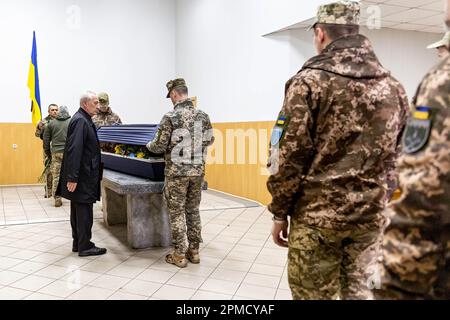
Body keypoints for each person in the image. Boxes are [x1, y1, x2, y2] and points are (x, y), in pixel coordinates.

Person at [266, 0, 409, 300]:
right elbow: (402, 156)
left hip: (317, 222)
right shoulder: (394, 87)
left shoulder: (308, 83)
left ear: (320, 34)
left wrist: (279, 211)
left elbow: (286, 154)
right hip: (370, 221)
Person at [376, 0, 450, 300]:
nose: (438, 55)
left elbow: (425, 199)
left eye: (441, 49)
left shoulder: (441, 82)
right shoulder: (395, 87)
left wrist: (395, 287)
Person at [147, 78, 214, 268]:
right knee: (193, 210)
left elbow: (159, 146)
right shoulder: (203, 115)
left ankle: (179, 254)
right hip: (197, 171)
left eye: (170, 96)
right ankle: (194, 251)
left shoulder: (170, 117)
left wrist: (148, 145)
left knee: (176, 212)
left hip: (176, 173)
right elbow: (210, 140)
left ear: (174, 94)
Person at [56, 91, 107, 257]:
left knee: (78, 209)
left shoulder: (82, 118)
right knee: (84, 210)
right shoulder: (81, 121)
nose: (98, 106)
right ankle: (85, 246)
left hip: (83, 173)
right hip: (83, 175)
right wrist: (73, 177)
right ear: (85, 104)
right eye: (95, 103)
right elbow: (74, 150)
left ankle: (78, 243)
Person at [43, 106, 71, 207]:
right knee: (71, 175)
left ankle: (57, 198)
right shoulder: (72, 122)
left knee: (56, 176)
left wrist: (48, 153)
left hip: (56, 153)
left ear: (58, 112)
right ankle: (72, 196)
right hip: (69, 153)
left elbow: (46, 140)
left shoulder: (51, 124)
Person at [35, 104, 58, 198]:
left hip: (58, 149)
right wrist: (40, 127)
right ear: (48, 111)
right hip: (48, 149)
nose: (55, 111)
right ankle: (48, 191)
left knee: (57, 170)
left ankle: (56, 191)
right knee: (48, 170)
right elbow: (37, 135)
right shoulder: (43, 121)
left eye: (56, 110)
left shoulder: (60, 121)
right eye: (52, 110)